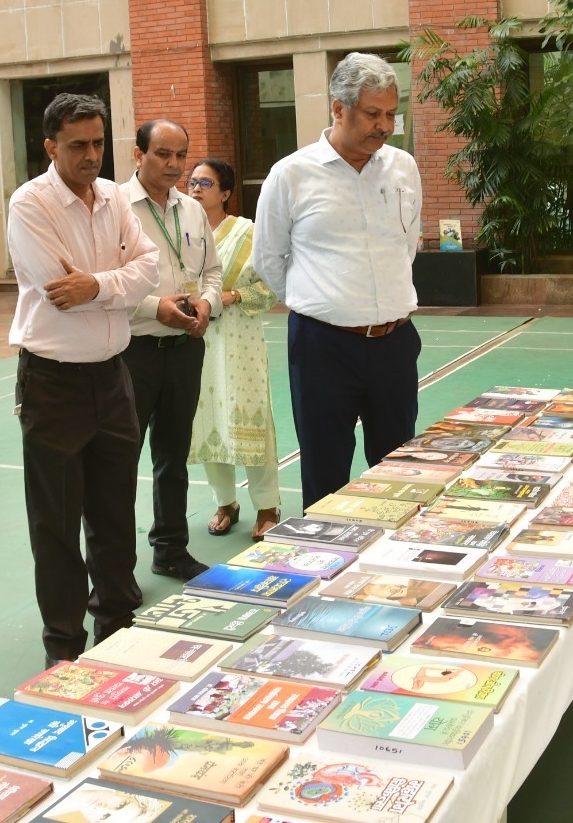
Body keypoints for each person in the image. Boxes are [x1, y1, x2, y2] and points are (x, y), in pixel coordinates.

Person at [7, 93, 160, 666]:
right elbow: (56, 289)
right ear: (50, 146)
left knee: (116, 515)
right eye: (78, 146)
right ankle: (64, 650)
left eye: (98, 143)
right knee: (56, 525)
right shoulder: (30, 204)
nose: (91, 155)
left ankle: (117, 632)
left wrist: (97, 286)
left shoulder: (116, 198)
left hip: (113, 379)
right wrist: (117, 283)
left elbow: (149, 269)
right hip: (53, 384)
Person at [253, 52, 422, 510]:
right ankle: (324, 573)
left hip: (395, 343)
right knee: (325, 472)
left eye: (390, 113)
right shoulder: (291, 175)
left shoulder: (403, 167)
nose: (384, 125)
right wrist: (322, 305)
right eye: (372, 114)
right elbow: (268, 259)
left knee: (398, 473)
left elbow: (406, 246)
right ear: (338, 108)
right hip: (323, 348)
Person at [121, 120, 224, 581]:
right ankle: (116, 568)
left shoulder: (193, 209)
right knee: (119, 464)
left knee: (173, 455)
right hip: (132, 352)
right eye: (163, 154)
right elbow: (106, 282)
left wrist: (206, 302)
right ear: (137, 154)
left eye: (181, 155)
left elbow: (213, 272)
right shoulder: (115, 208)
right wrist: (152, 308)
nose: (174, 165)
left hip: (185, 347)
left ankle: (171, 548)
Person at [185, 158, 283, 541]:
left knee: (250, 418)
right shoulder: (183, 233)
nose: (194, 188)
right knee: (206, 419)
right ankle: (225, 502)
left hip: (239, 340)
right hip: (196, 338)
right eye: (191, 182)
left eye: (205, 183)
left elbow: (271, 286)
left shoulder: (247, 233)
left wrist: (234, 294)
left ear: (225, 192)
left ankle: (267, 505)